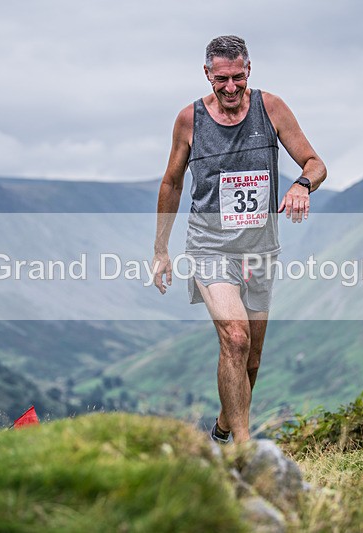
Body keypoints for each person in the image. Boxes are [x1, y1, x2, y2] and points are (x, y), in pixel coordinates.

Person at [152, 35, 326, 444]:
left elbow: (315, 163)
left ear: (249, 70)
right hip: (209, 245)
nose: (230, 88)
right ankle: (245, 453)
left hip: (260, 248)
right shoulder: (189, 120)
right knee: (235, 337)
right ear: (207, 75)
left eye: (237, 78)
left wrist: (302, 185)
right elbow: (172, 182)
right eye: (221, 79)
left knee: (251, 357)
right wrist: (161, 248)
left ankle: (225, 424)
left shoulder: (272, 109)